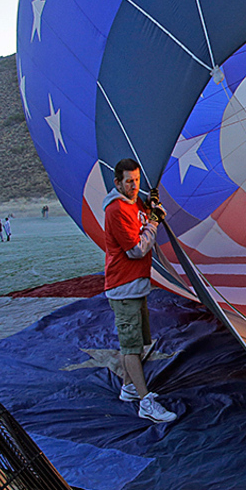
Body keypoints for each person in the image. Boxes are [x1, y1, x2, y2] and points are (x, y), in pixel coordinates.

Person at [103, 158, 177, 423]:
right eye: (129, 182)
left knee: (140, 343)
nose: (134, 186)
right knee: (131, 348)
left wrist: (151, 207)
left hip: (136, 286)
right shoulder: (116, 210)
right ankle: (145, 402)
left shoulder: (134, 203)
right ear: (117, 183)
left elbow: (147, 218)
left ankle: (129, 387)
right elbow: (136, 250)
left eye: (136, 180)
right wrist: (154, 222)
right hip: (124, 288)